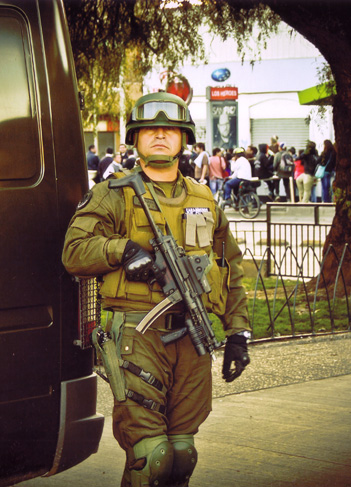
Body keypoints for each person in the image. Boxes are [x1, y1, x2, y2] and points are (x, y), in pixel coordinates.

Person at [62, 92, 251, 487]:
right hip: (137, 334)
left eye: (170, 130)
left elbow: (229, 265)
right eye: (150, 130)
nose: (160, 136)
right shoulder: (113, 194)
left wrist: (238, 332)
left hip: (192, 337)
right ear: (135, 139)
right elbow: (74, 251)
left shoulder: (203, 197)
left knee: (182, 455)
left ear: (184, 139)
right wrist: (121, 250)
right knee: (153, 459)